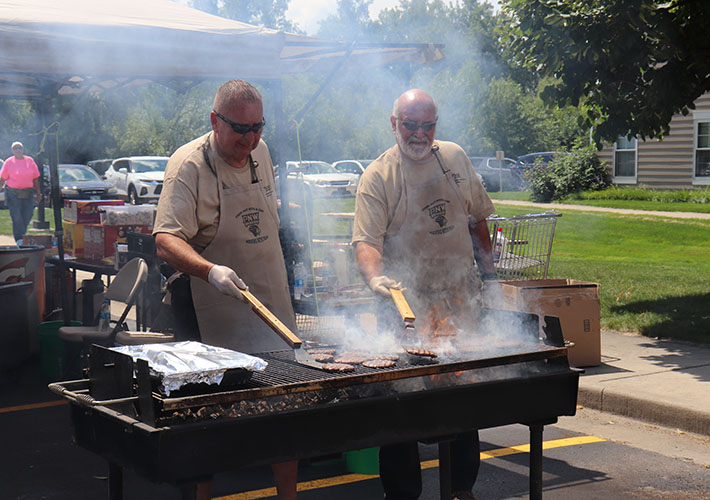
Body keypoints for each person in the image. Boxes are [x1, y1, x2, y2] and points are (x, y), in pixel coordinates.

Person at [352, 89, 501, 500]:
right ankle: (402, 495)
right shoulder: (378, 176)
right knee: (402, 405)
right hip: (405, 308)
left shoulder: (453, 158)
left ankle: (460, 490)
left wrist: (490, 278)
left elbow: (476, 221)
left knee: (462, 396)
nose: (419, 134)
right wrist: (375, 278)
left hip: (457, 300)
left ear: (436, 124)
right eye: (410, 124)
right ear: (393, 123)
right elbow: (366, 241)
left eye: (427, 125)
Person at [153, 80, 298, 500]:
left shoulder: (261, 152)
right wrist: (210, 269)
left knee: (284, 405)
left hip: (267, 297)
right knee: (205, 418)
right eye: (240, 129)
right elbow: (165, 238)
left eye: (258, 128)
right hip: (208, 303)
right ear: (215, 120)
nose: (250, 139)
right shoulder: (189, 166)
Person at [0, 141, 41, 245]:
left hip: (28, 193)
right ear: (12, 151)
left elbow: (35, 178)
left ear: (23, 150)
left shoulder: (30, 161)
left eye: (19, 148)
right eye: (15, 148)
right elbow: (3, 179)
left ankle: (21, 235)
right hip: (13, 193)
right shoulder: (9, 162)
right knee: (16, 216)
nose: (18, 150)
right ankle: (19, 239)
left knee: (28, 214)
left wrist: (39, 193)